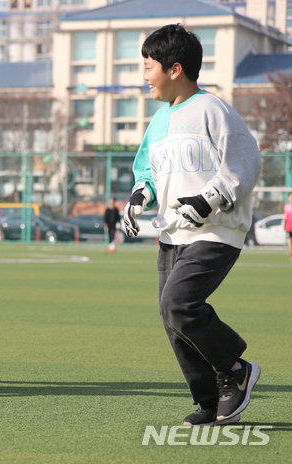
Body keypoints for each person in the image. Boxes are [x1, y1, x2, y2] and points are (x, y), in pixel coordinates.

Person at [122, 24, 261, 426]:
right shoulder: (158, 122)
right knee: (172, 318)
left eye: (148, 67)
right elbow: (145, 172)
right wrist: (137, 199)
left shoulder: (213, 109)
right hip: (171, 235)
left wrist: (207, 200)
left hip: (215, 232)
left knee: (178, 305)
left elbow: (244, 164)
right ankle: (208, 400)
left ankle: (236, 371)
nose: (144, 76)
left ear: (174, 68)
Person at [283, 192, 292, 259]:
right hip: (290, 227)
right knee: (290, 241)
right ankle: (291, 254)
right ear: (289, 198)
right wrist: (284, 226)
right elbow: (285, 218)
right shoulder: (286, 207)